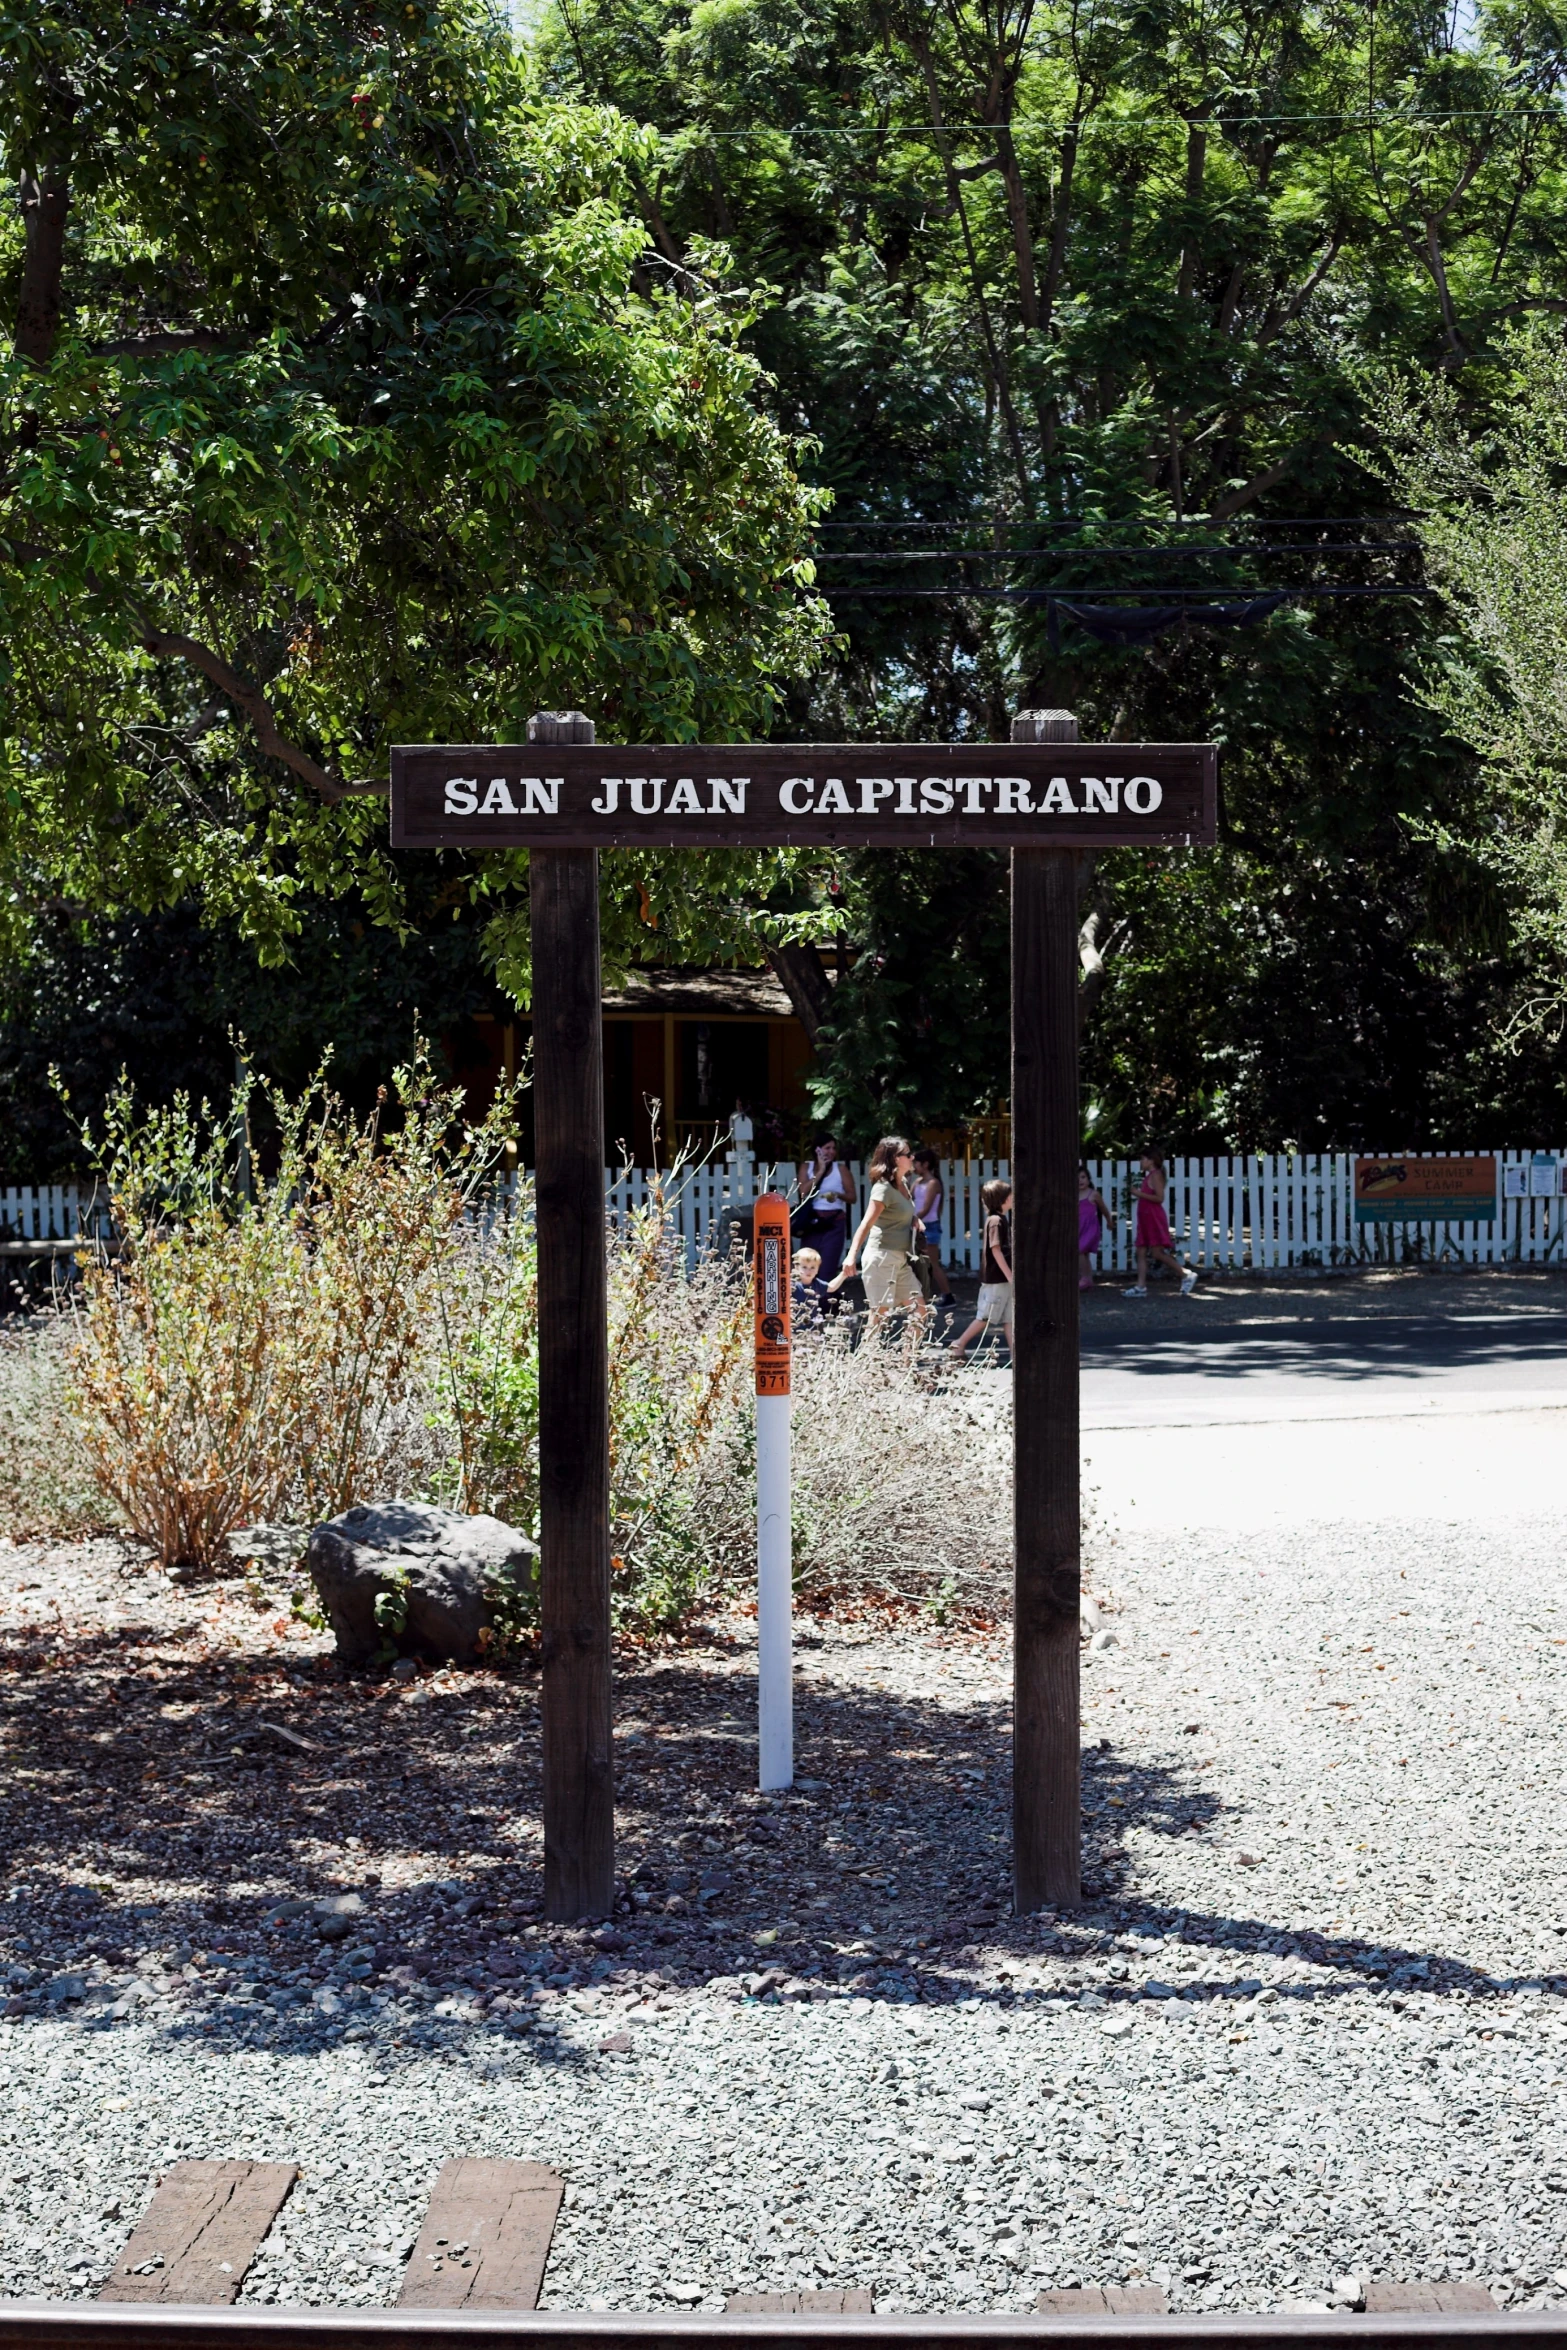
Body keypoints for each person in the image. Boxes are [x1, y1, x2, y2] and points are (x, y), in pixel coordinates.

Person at [827, 1134, 927, 1329]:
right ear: (896, 1159)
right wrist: (850, 1256)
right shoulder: (883, 1189)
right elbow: (866, 1224)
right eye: (908, 1154)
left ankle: (907, 1360)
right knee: (879, 1318)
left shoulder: (903, 1184)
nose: (912, 1158)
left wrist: (914, 1219)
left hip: (900, 1259)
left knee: (920, 1312)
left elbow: (899, 1213)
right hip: (881, 1258)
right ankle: (866, 1358)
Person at [947, 1178, 1013, 1361]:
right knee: (985, 1316)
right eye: (1010, 1195)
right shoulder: (995, 1221)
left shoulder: (1000, 1219)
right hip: (996, 1279)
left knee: (1009, 1318)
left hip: (1002, 1279)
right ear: (1002, 1199)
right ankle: (959, 1344)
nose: (1013, 1197)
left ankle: (1016, 1353)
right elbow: (996, 1249)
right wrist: (1009, 1275)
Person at [1125, 1150, 1197, 1296]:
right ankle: (1141, 1287)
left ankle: (1185, 1274)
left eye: (1143, 1159)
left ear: (1151, 1160)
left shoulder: (1156, 1175)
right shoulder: (1150, 1176)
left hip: (1153, 1218)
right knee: (1141, 1251)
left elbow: (1159, 1198)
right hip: (1145, 1218)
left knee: (1157, 1253)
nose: (1141, 1162)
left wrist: (1138, 1194)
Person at [797, 1134, 856, 1283]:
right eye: (827, 1148)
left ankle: (825, 1303)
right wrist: (820, 1171)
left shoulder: (840, 1169)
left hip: (834, 1222)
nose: (831, 1152)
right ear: (817, 1150)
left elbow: (852, 1197)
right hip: (812, 1222)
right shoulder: (807, 1167)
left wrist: (838, 1195)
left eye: (833, 1148)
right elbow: (803, 1192)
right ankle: (807, 1303)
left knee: (827, 1267)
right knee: (807, 1265)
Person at [911, 1147, 955, 1317]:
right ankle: (920, 1297)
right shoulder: (917, 1182)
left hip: (929, 1226)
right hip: (918, 1225)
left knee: (932, 1263)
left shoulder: (933, 1183)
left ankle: (948, 1295)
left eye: (916, 1162)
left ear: (925, 1164)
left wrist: (911, 1219)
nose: (914, 1165)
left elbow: (926, 1208)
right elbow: (909, 1198)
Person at [1079, 1162, 1110, 1291]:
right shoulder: (1072, 1194)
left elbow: (1103, 1209)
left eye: (1083, 1177)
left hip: (1090, 1228)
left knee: (1080, 1251)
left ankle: (1084, 1278)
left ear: (1088, 1179)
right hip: (1078, 1228)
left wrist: (1109, 1220)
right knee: (1084, 1254)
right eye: (1076, 1178)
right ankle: (1088, 1279)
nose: (1080, 1180)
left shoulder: (1093, 1194)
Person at [791, 1245, 831, 1324]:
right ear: (796, 1267)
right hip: (794, 1327)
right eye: (804, 1267)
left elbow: (831, 1287)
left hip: (812, 1326)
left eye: (812, 1267)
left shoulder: (817, 1283)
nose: (808, 1270)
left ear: (818, 1269)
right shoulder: (792, 1284)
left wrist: (844, 1274)